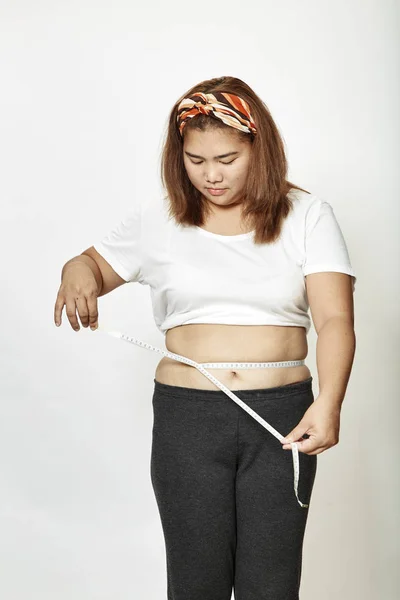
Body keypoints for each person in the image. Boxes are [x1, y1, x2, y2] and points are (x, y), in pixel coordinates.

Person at [54, 76, 357, 599]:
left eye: (227, 158)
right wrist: (75, 270)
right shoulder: (161, 218)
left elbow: (334, 320)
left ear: (257, 149)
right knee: (196, 584)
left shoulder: (308, 215)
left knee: (272, 585)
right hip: (187, 420)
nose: (211, 175)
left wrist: (330, 402)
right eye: (196, 161)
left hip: (283, 417)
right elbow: (89, 266)